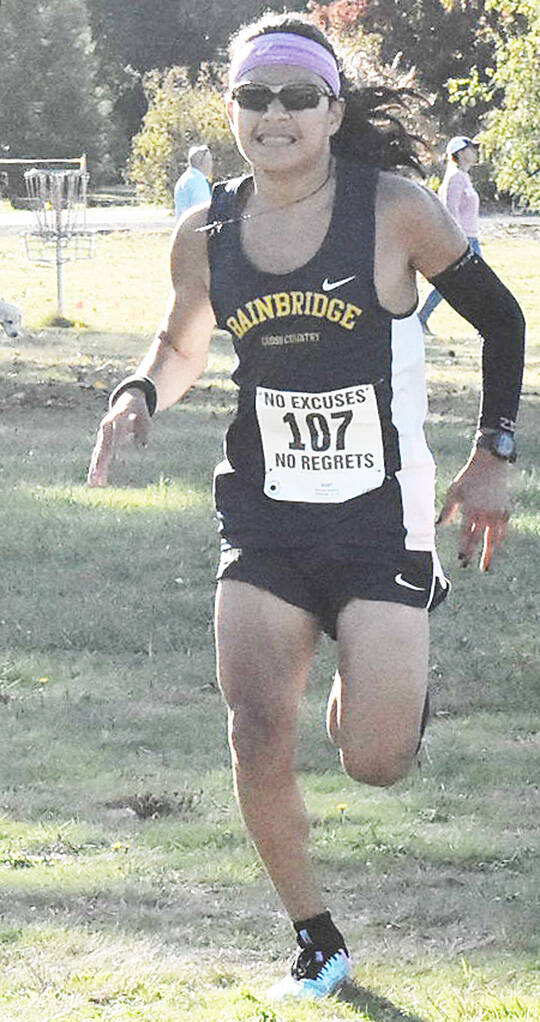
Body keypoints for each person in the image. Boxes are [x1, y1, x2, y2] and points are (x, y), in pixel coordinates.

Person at [87, 13, 525, 1002]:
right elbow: (183, 340)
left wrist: (492, 454)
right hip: (265, 513)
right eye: (254, 96)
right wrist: (140, 392)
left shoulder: (395, 209)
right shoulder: (206, 231)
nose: (274, 113)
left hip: (382, 517)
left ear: (331, 110)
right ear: (231, 109)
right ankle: (314, 936)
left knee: (375, 760)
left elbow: (502, 318)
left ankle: (381, 677)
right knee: (254, 728)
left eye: (297, 96)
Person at [418, 136, 481, 334]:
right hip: (464, 239)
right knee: (463, 282)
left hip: (471, 237)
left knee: (459, 283)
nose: (475, 152)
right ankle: (422, 317)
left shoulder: (464, 177)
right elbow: (451, 211)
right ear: (460, 153)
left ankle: (422, 317)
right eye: (471, 148)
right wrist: (459, 241)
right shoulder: (456, 178)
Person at [173, 144, 212, 218]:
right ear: (202, 162)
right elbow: (202, 212)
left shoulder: (185, 178)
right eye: (209, 160)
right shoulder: (198, 182)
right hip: (193, 224)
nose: (211, 164)